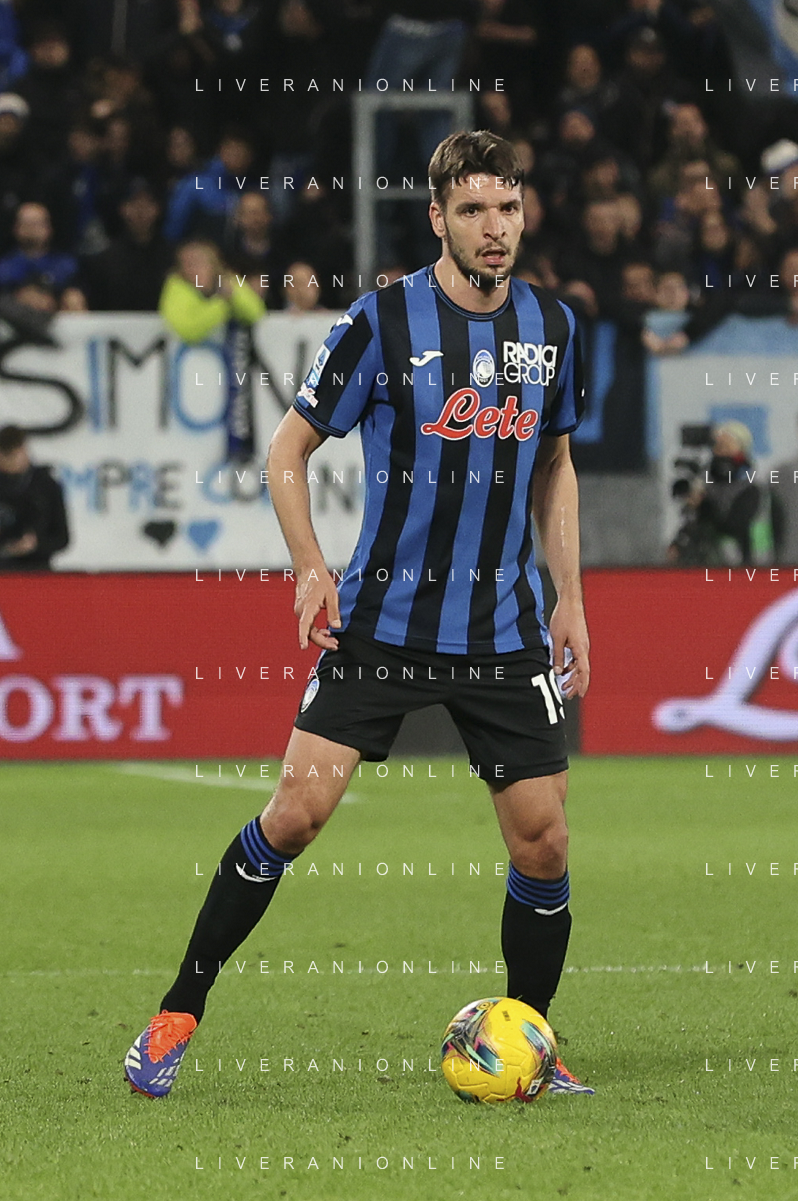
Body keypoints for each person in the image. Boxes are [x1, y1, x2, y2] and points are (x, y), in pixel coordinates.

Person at [124, 130, 593, 1099]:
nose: (494, 227)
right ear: (438, 218)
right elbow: (286, 451)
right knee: (295, 815)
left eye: (507, 207)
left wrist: (571, 598)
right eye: (473, 209)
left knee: (544, 840)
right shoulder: (381, 321)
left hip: (504, 629)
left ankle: (532, 1044)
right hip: (382, 623)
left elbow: (556, 463)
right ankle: (177, 1011)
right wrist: (310, 565)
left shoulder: (553, 326)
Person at [0, 425, 69, 569]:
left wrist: (35, 544)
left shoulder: (46, 485)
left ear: (24, 450)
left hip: (37, 570)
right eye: (5, 456)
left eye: (13, 455)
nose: (9, 462)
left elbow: (62, 538)